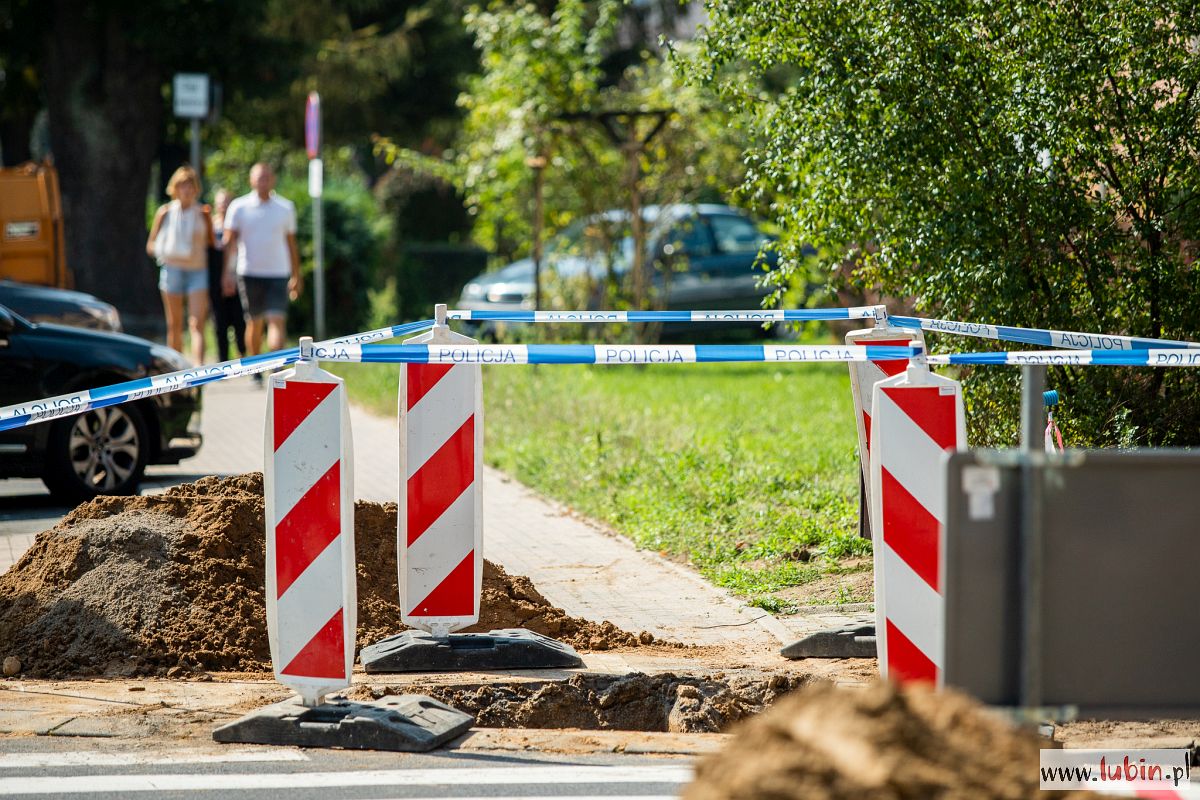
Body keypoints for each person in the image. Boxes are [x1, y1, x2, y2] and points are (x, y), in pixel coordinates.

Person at [221, 163, 302, 380]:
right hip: (249, 272)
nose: (263, 182)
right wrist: (226, 274)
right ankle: (256, 367)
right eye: (259, 178)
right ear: (251, 180)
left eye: (266, 177)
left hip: (278, 272)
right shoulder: (239, 207)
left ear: (273, 180)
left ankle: (276, 367)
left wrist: (296, 275)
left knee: (277, 320)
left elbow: (292, 244)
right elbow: (230, 244)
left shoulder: (285, 208)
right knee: (254, 322)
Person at [146, 166, 214, 365]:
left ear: (196, 189)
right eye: (182, 185)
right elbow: (150, 245)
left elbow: (211, 244)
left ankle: (199, 369)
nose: (186, 190)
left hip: (197, 270)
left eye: (190, 186)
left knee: (196, 324)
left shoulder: (203, 213)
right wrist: (166, 250)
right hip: (172, 269)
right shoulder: (165, 212)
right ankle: (175, 368)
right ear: (175, 188)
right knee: (174, 324)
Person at [206, 189, 247, 363]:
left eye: (227, 201)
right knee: (219, 322)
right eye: (221, 202)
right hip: (214, 278)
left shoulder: (239, 226)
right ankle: (222, 360)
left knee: (240, 320)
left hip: (236, 275)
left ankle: (244, 357)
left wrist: (229, 276)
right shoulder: (210, 225)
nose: (224, 205)